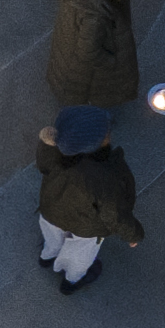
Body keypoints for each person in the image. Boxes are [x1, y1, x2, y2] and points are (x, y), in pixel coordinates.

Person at [34, 103, 143, 292]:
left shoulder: (54, 150)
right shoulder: (104, 177)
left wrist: (46, 144)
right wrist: (133, 234)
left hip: (51, 210)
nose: (109, 132)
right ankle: (71, 280)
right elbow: (113, 213)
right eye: (105, 132)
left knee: (52, 236)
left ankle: (47, 256)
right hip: (85, 228)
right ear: (90, 146)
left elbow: (43, 165)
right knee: (79, 255)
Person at [47, 0, 138, 108]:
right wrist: (114, 62)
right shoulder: (94, 18)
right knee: (93, 105)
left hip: (70, 58)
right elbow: (88, 53)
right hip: (85, 77)